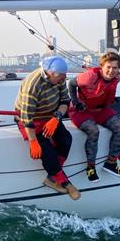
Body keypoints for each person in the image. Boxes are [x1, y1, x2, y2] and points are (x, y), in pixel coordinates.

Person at [15, 56, 80, 199]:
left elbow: (65, 101)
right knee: (46, 149)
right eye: (60, 75)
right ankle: (63, 181)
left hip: (51, 117)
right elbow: (26, 117)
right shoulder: (32, 85)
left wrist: (56, 118)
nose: (63, 78)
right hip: (32, 121)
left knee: (66, 139)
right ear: (49, 73)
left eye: (64, 74)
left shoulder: (60, 79)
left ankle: (52, 176)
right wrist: (33, 141)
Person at [68, 51, 120, 182]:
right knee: (93, 131)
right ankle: (90, 168)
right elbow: (71, 84)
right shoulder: (89, 77)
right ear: (102, 67)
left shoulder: (117, 77)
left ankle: (111, 163)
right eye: (109, 67)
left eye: (115, 68)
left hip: (100, 110)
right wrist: (77, 103)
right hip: (81, 110)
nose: (111, 70)